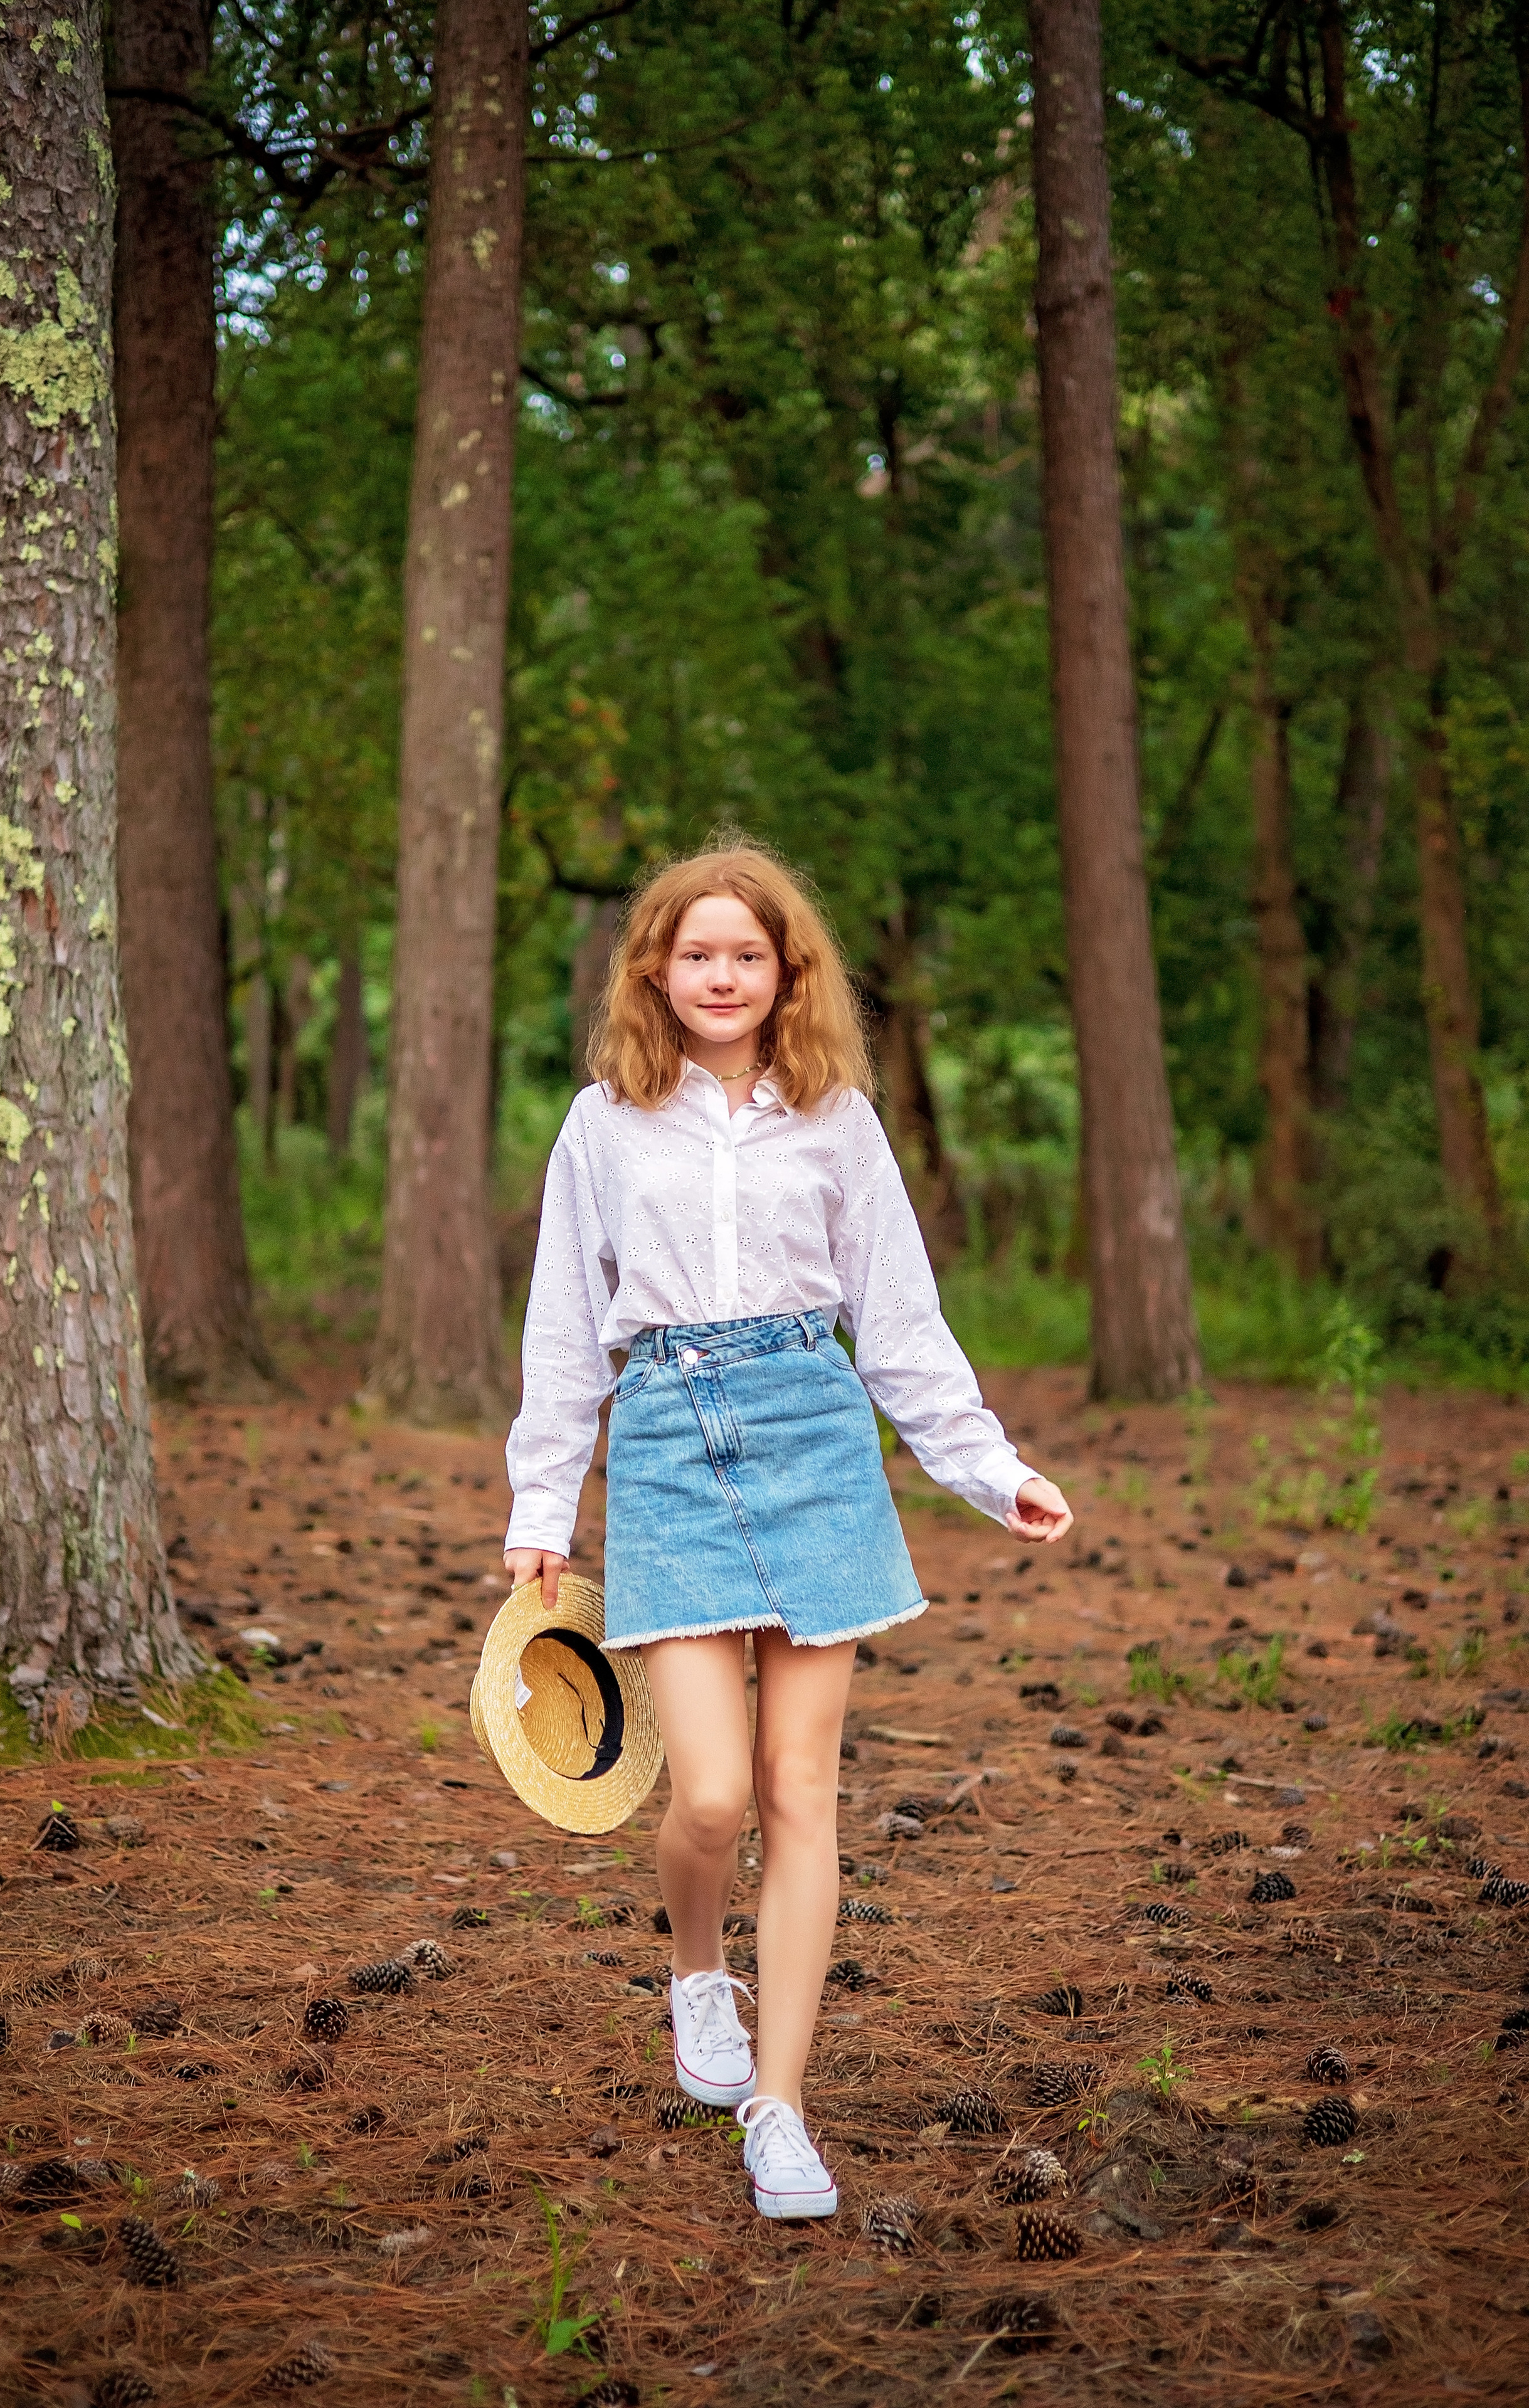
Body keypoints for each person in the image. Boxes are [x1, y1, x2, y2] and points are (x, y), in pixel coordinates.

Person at [503, 841, 1074, 2221]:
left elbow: (895, 1320)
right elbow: (565, 1331)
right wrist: (538, 1502)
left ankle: (780, 2107)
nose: (718, 975)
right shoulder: (602, 1122)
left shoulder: (837, 1119)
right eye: (694, 953)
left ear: (784, 973)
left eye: (745, 955)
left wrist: (985, 1469)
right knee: (704, 1794)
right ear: (654, 968)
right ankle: (697, 1970)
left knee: (798, 1794)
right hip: (663, 1445)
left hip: (814, 1440)